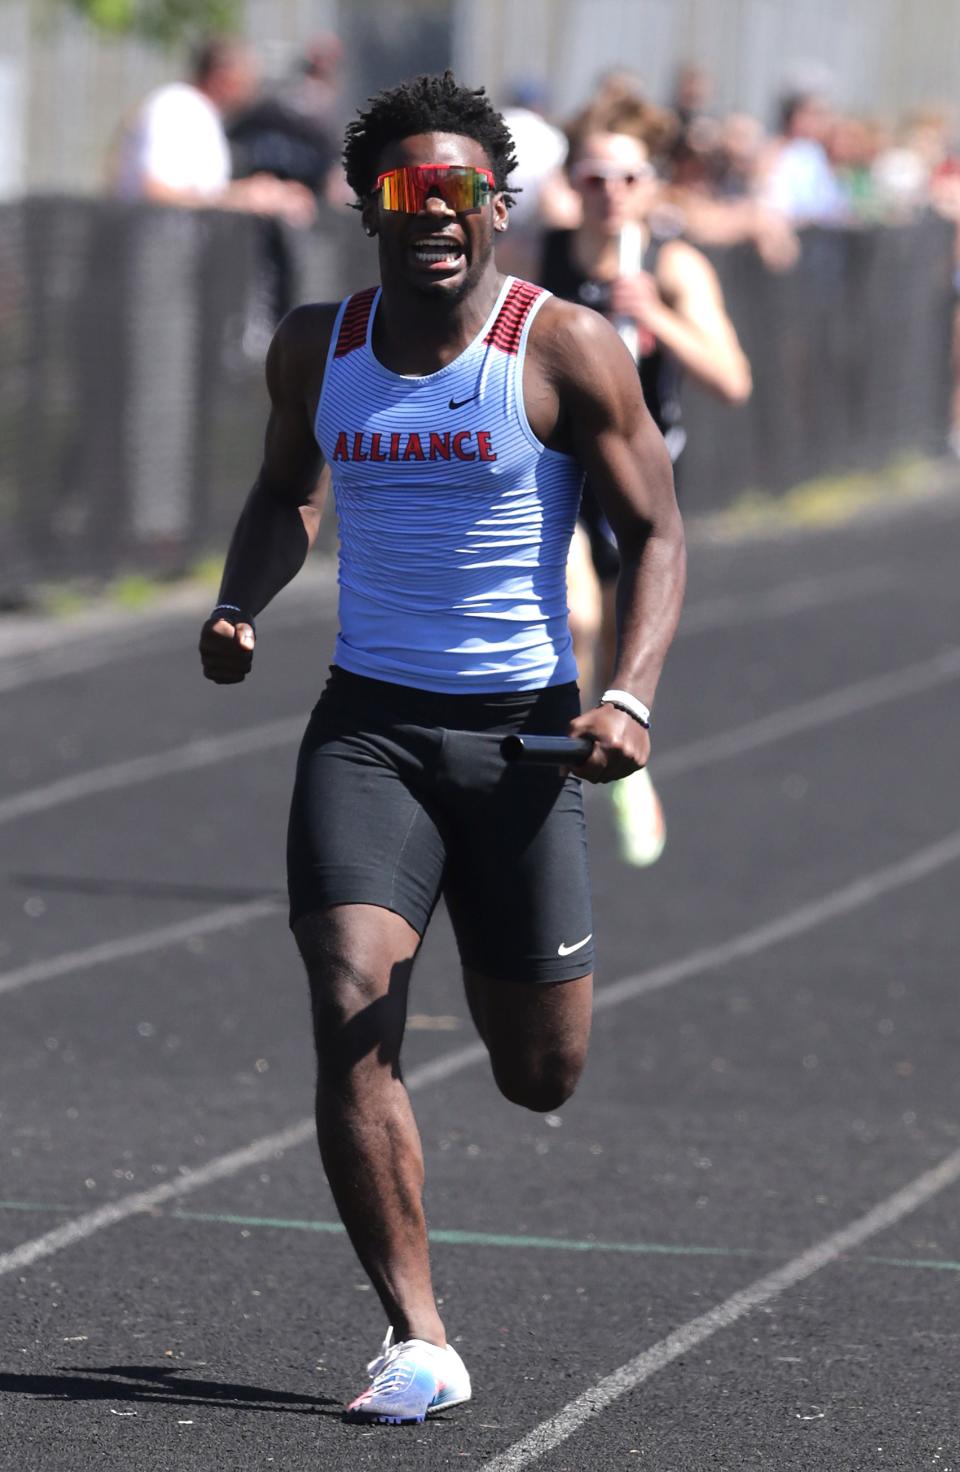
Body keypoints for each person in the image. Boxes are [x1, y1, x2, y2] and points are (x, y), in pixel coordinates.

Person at [198, 71, 685, 1425]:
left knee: (541, 1074)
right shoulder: (320, 344)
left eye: (459, 188)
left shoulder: (565, 345)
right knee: (349, 1000)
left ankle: (498, 952)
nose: (434, 212)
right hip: (370, 730)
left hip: (527, 740)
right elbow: (283, 489)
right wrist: (241, 599)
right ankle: (417, 1337)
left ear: (498, 205)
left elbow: (655, 530)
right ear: (366, 205)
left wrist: (630, 695)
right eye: (406, 189)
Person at [540, 104, 750, 865]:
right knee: (574, 615)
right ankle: (554, 769)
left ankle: (622, 751)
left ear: (648, 183)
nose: (610, 192)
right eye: (593, 177)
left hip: (639, 488)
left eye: (626, 176)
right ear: (572, 183)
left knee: (628, 633)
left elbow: (732, 379)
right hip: (559, 473)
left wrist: (658, 312)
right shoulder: (544, 256)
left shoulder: (672, 263)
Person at [111, 38, 315, 228]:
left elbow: (200, 196)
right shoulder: (176, 107)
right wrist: (242, 199)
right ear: (222, 74)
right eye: (247, 73)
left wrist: (254, 194)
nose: (253, 84)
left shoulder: (204, 115)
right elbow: (156, 193)